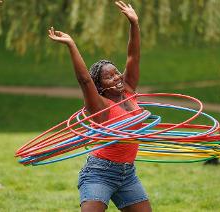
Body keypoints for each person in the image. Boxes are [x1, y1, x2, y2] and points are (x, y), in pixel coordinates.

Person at [48, 1, 151, 211]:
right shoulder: (100, 106)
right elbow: (85, 80)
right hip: (100, 172)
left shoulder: (129, 90)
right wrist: (71, 45)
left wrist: (134, 23)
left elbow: (134, 56)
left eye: (116, 73)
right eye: (109, 77)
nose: (117, 77)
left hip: (127, 173)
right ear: (100, 87)